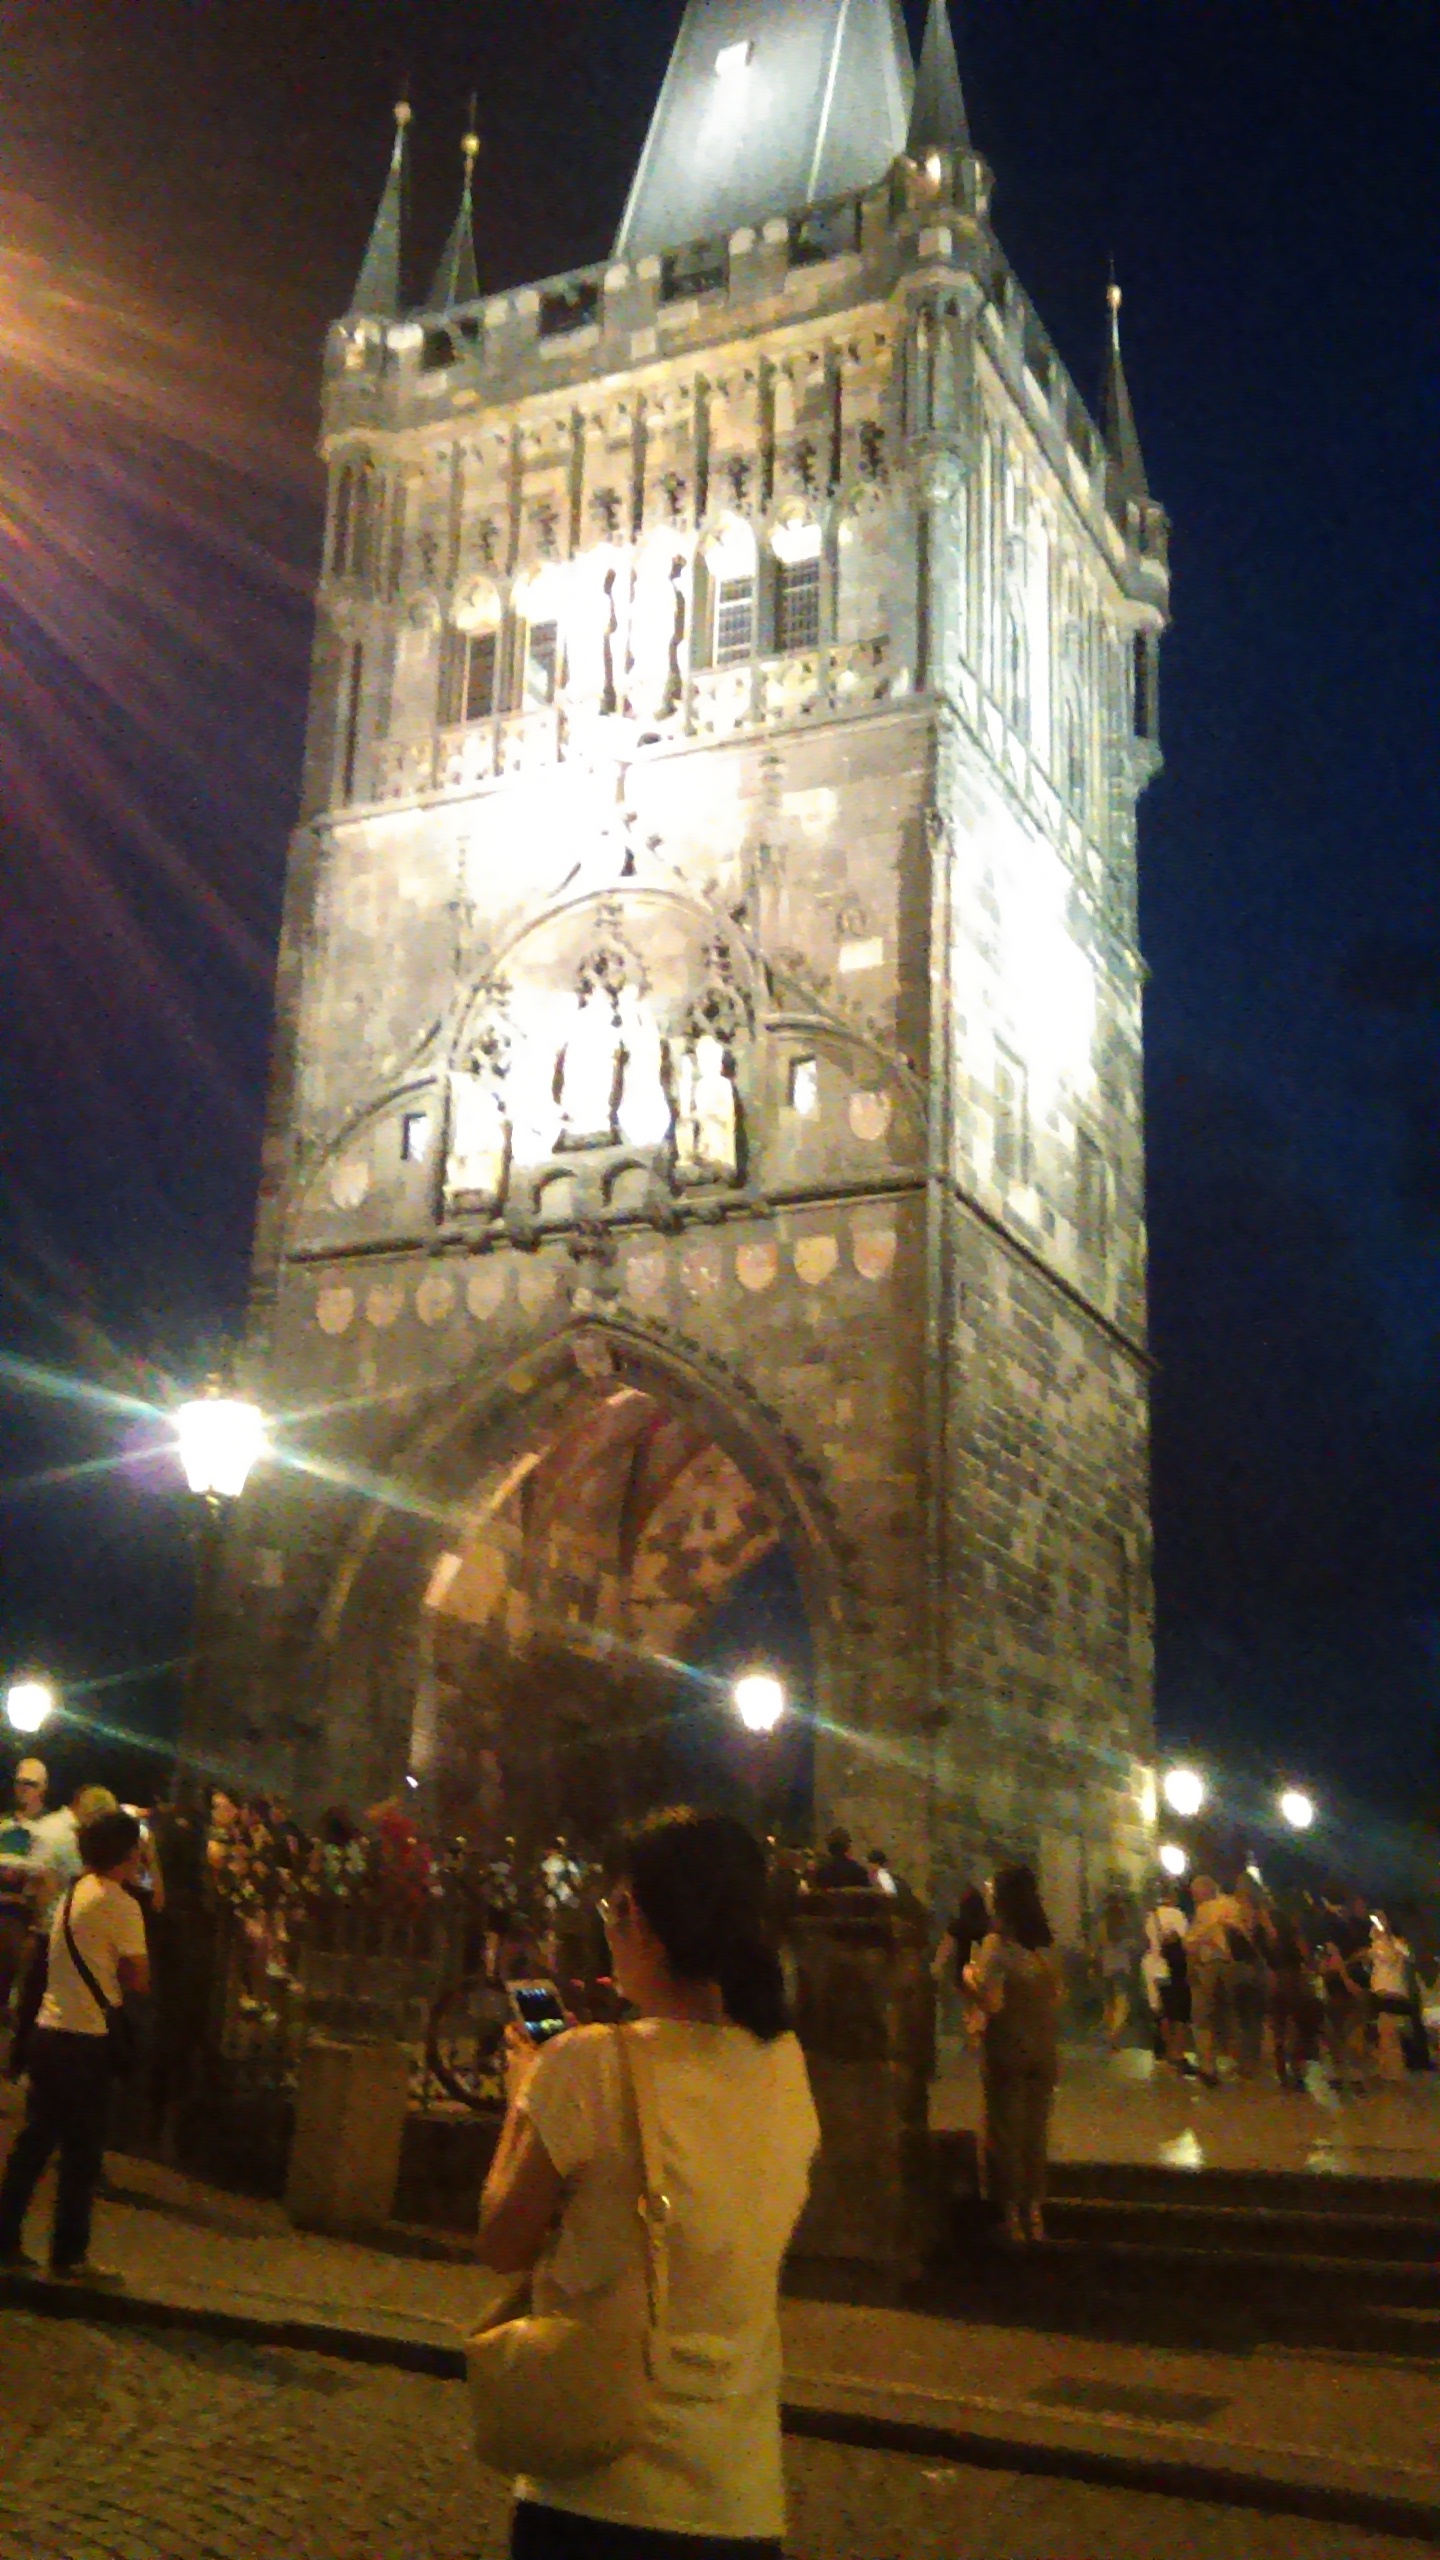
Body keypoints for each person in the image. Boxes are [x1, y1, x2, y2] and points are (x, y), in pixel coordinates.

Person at [478, 1807, 819, 2557]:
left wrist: (524, 2098)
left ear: (635, 1915)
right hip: (738, 2502)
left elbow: (502, 2239)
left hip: (599, 2498)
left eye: (610, 1909)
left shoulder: (587, 2063)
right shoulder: (784, 2066)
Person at [0, 1807, 149, 2281]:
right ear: (126, 1853)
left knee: (35, 2143)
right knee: (82, 2152)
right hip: (87, 2039)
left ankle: (6, 2239)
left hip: (50, 2030)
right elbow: (138, 1977)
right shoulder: (120, 1904)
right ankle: (68, 2253)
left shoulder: (72, 1893)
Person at [965, 1865, 1062, 2245]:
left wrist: (968, 1978)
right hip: (1043, 2047)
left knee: (1006, 2131)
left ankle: (1011, 2218)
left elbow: (991, 2000)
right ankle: (1034, 2213)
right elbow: (1058, 1996)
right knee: (1035, 2132)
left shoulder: (998, 1944)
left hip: (1008, 2046)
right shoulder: (1046, 1946)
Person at [1185, 1875, 1246, 2085]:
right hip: (1232, 1966)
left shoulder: (1207, 1909)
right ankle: (1239, 2062)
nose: (1194, 1897)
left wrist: (1193, 1944)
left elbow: (1193, 1940)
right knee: (1230, 2015)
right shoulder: (1233, 1906)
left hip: (1211, 1966)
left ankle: (1208, 2066)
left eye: (1195, 1893)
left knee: (1203, 2016)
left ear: (1205, 1890)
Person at [0, 1759, 47, 2029]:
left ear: (42, 1788)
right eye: (20, 1783)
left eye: (30, 1784)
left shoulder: (48, 1829)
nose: (23, 1789)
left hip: (25, 1921)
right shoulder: (4, 1824)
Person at [1141, 1883, 1191, 2069]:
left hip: (1152, 1967)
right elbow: (1186, 1940)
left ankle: (1164, 2048)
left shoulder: (1150, 1916)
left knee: (1161, 2011)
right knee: (1179, 2012)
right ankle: (1176, 2052)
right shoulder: (1176, 1914)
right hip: (1172, 1967)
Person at [1369, 1914, 1414, 2083]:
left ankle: (1394, 2074)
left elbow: (1400, 1956)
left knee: (1390, 2036)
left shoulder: (1394, 1944)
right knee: (1385, 2035)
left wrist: (1387, 1939)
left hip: (1392, 1992)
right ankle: (1387, 2071)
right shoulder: (1379, 1944)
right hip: (1383, 1992)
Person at [1094, 1893, 1135, 2049]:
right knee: (1122, 2004)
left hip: (1106, 1967)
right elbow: (1132, 1945)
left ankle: (1108, 2034)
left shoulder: (1101, 1925)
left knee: (1109, 2003)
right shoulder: (1124, 1925)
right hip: (1122, 1967)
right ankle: (1113, 2034)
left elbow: (1097, 1947)